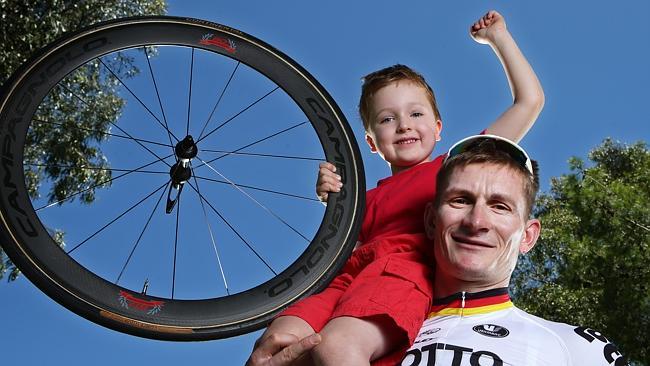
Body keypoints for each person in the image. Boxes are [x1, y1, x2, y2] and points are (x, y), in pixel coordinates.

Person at [248, 10, 545, 366]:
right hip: (347, 278)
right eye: (387, 119)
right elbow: (341, 252)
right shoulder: (363, 198)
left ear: (438, 127)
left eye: (415, 114)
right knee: (278, 341)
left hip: (401, 274)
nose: (404, 125)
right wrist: (334, 203)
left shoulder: (454, 170)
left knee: (337, 348)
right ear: (372, 142)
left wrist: (499, 37)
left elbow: (529, 101)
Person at [247, 135, 629, 365]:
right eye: (461, 200)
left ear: (528, 236)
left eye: (499, 206)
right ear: (430, 221)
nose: (476, 221)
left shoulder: (574, 344)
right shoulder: (344, 321)